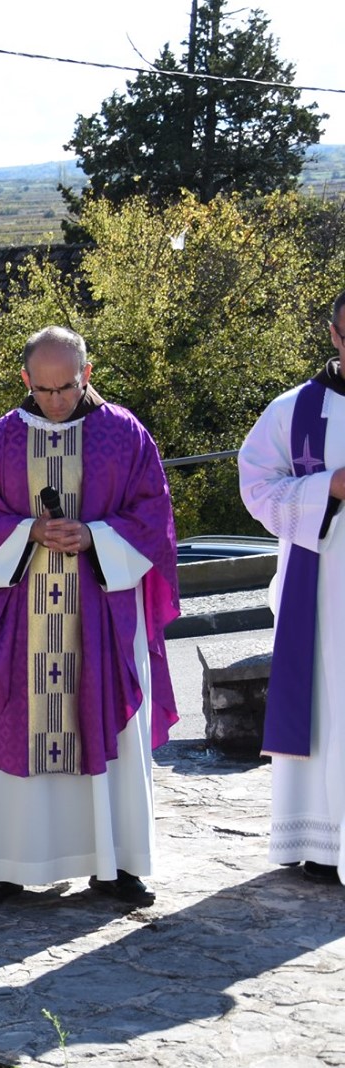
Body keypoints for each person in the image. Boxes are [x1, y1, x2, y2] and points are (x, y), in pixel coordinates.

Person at [0, 327, 180, 908]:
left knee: (107, 728)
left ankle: (116, 864)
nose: (55, 401)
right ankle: (4, 866)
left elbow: (154, 516)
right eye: (44, 389)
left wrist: (95, 536)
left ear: (87, 373)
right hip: (21, 622)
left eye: (67, 387)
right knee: (14, 728)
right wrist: (28, 531)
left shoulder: (123, 434)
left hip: (100, 618)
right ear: (25, 379)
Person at [239, 287, 345, 884]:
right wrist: (328, 489)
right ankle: (325, 843)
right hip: (323, 589)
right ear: (333, 335)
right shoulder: (292, 411)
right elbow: (256, 486)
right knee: (327, 707)